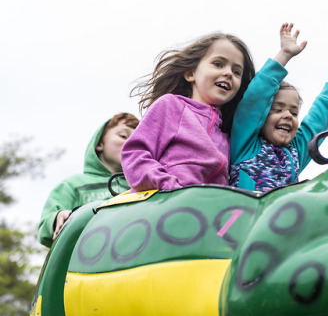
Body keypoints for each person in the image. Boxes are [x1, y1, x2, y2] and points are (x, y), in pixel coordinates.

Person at [230, 23, 328, 192]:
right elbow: (255, 99)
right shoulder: (245, 144)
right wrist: (284, 54)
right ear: (261, 117)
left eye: (293, 112)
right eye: (277, 109)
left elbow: (315, 124)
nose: (288, 115)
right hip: (245, 216)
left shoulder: (294, 154)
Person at [121, 33, 255, 192]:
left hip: (204, 211)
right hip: (163, 203)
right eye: (218, 64)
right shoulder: (171, 106)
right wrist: (167, 185)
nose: (228, 73)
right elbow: (134, 154)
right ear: (191, 73)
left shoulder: (228, 134)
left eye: (237, 71)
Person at [37, 112, 139, 248]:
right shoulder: (73, 185)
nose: (130, 142)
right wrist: (58, 218)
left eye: (137, 140)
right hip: (85, 263)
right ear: (100, 143)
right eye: (123, 136)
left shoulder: (143, 187)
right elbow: (45, 227)